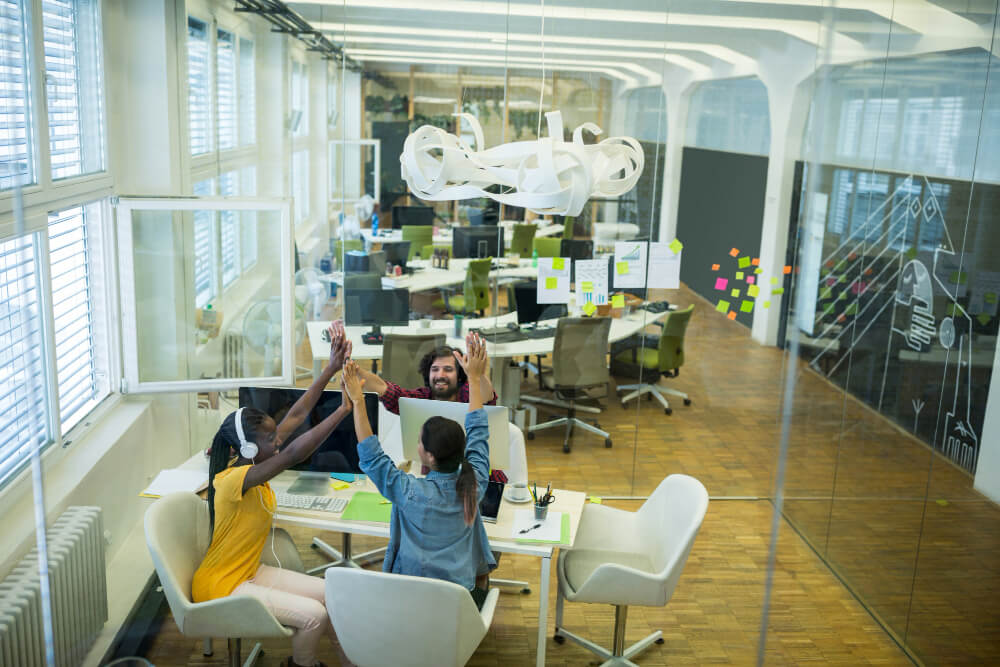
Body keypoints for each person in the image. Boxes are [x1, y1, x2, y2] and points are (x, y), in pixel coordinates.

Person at [192, 322, 354, 667]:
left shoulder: (254, 459)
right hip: (222, 587)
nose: (277, 440)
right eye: (270, 440)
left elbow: (297, 415)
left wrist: (330, 368)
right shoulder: (235, 478)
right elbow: (293, 454)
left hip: (248, 571)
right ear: (248, 447)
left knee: (332, 595)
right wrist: (342, 410)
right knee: (313, 615)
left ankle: (353, 661)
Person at [341, 332, 496, 608]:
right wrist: (474, 377)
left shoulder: (409, 491)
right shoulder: (477, 483)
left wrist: (357, 401)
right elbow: (478, 430)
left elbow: (372, 454)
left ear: (428, 456)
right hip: (456, 605)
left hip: (406, 599)